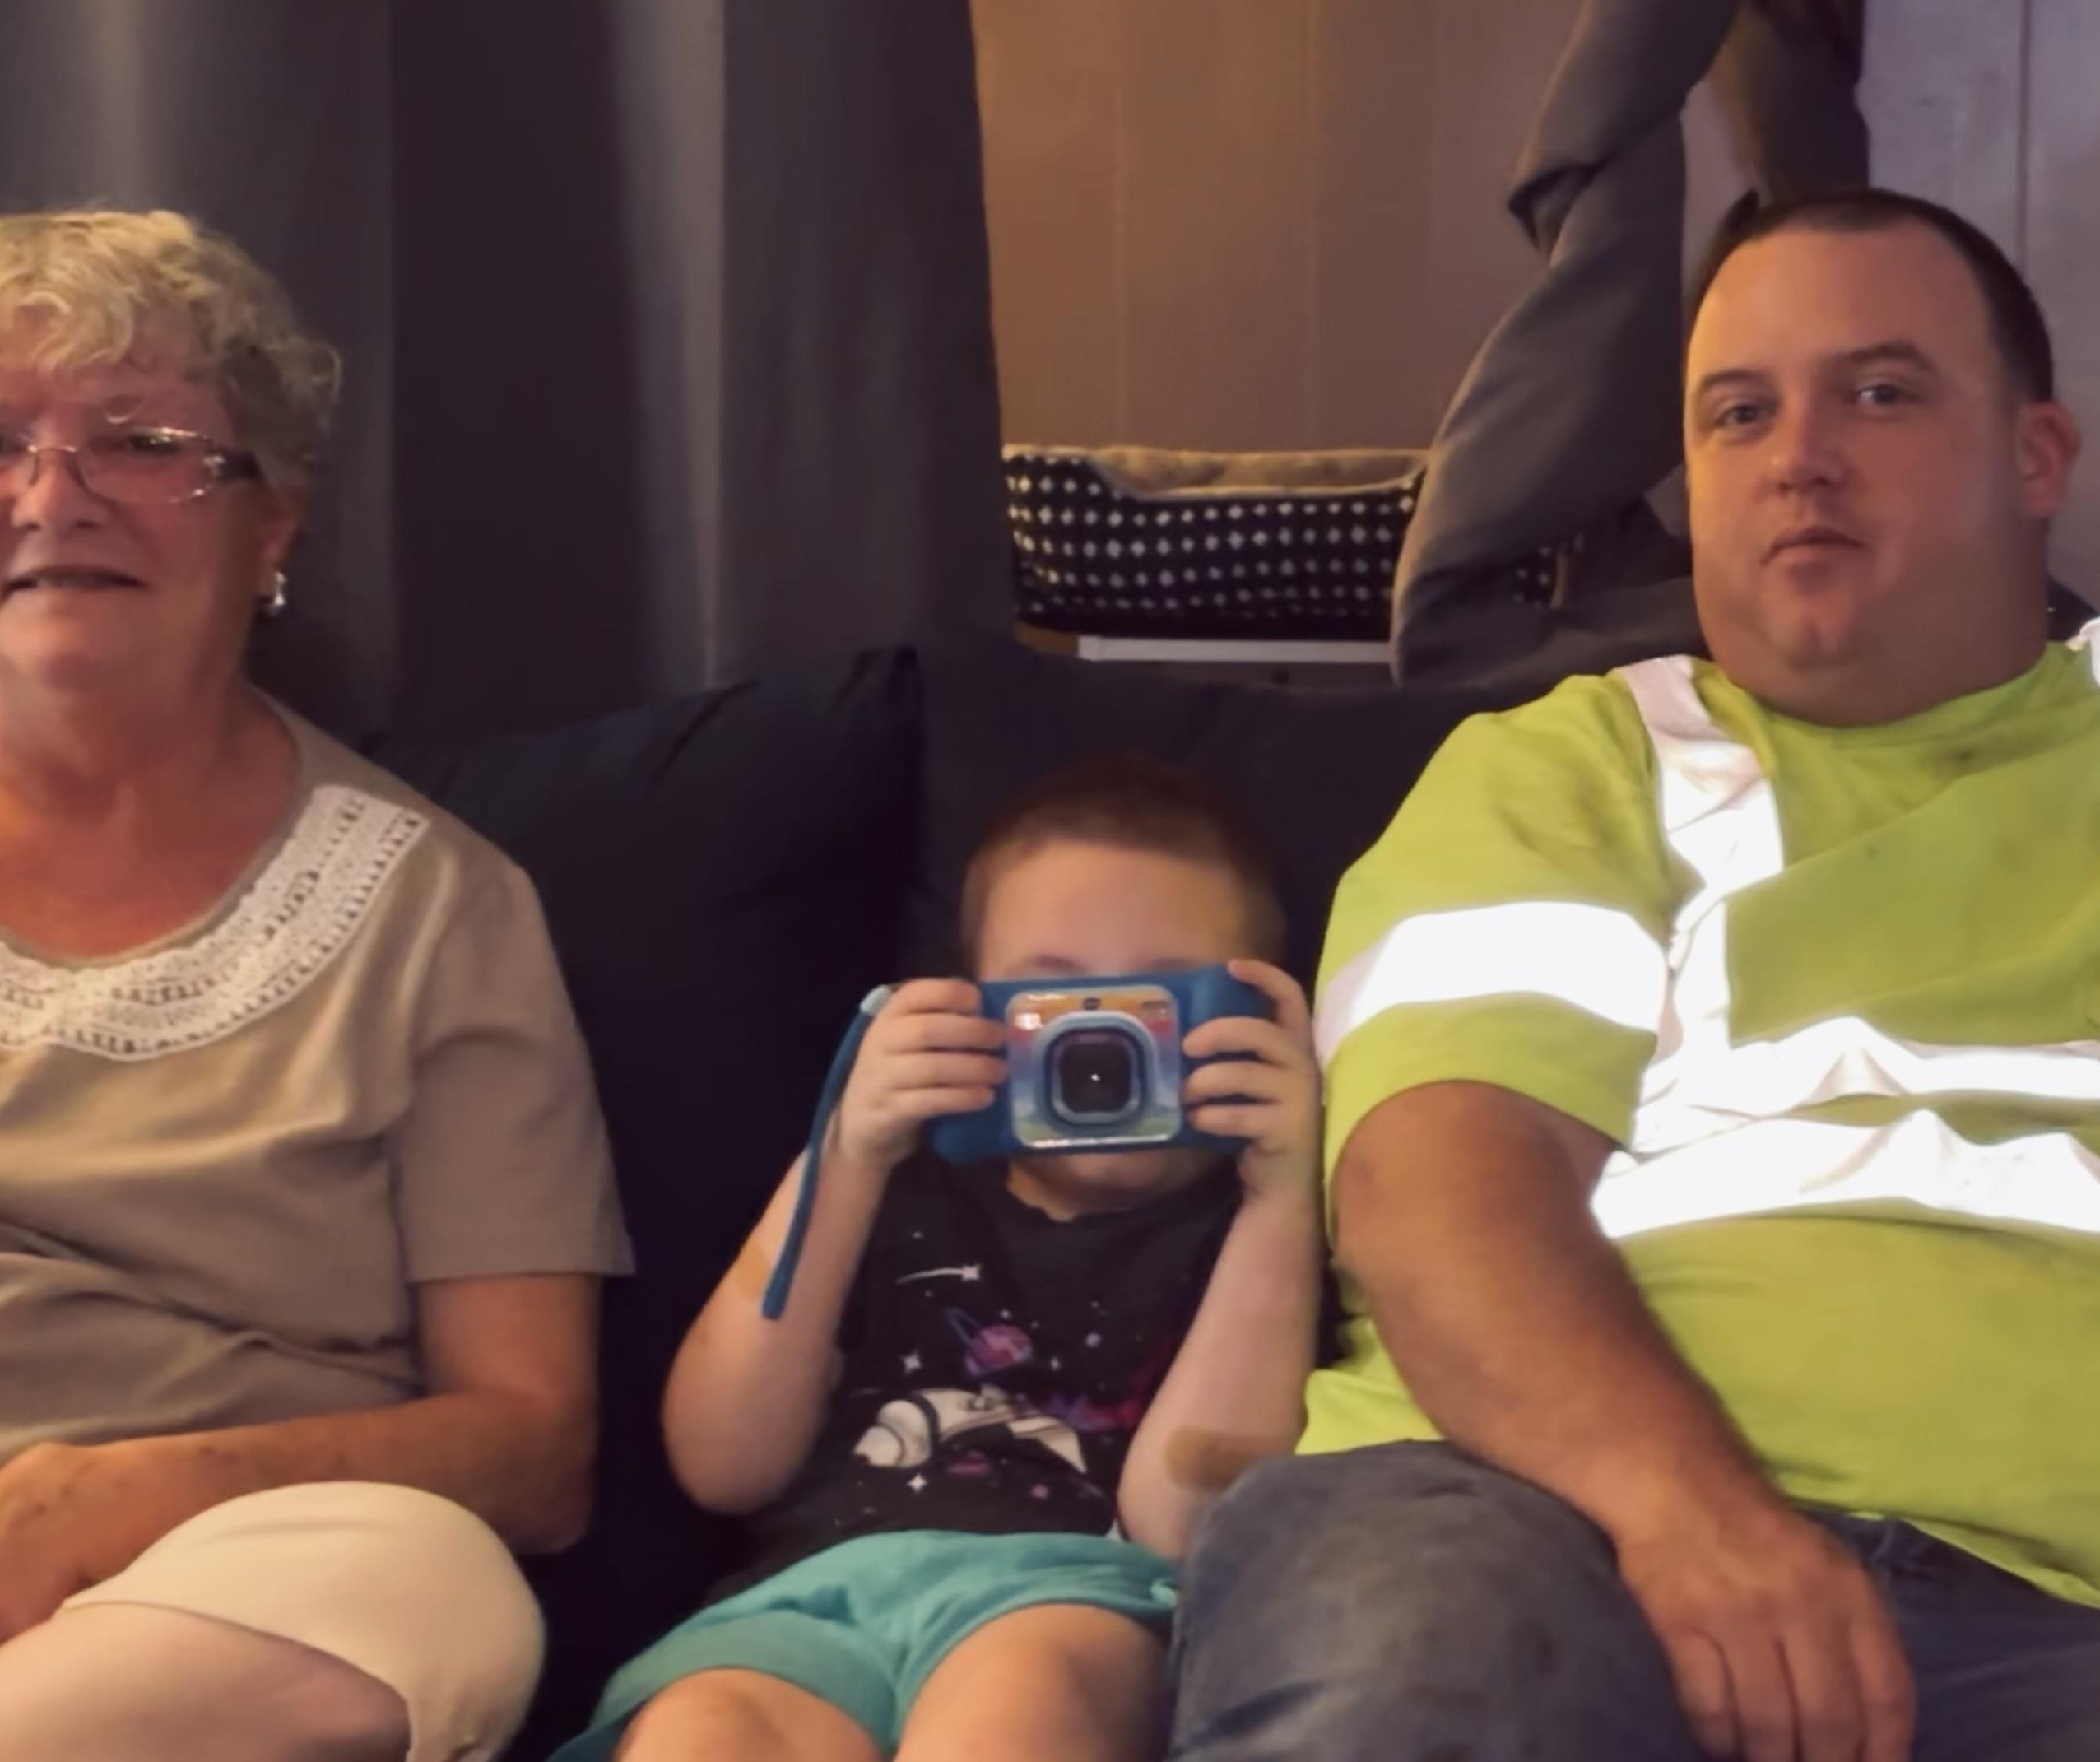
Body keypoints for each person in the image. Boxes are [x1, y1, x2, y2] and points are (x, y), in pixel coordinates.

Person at [1168, 187, 2100, 1762]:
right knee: (1418, 1688)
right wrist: (1701, 1520)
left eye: (1877, 390)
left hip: (2055, 1599)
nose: (1797, 452)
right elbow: (1436, 1191)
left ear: (2034, 459)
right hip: (1539, 1529)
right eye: (1738, 413)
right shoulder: (1575, 767)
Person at [0, 209, 631, 1762]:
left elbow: (534, 1446)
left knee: (422, 1587)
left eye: (144, 441)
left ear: (271, 520)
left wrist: (111, 1497)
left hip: (158, 1628)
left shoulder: (440, 911)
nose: (54, 496)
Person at [555, 757, 1322, 1762]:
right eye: (1053, 995)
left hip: (1073, 1591)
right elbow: (722, 1461)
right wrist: (847, 1149)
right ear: (970, 1012)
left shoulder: (1245, 1232)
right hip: (805, 1598)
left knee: (1014, 1704)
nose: (1099, 1037)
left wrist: (1282, 1193)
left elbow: (1185, 1519)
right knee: (699, 1733)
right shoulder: (896, 1182)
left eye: (1156, 999)